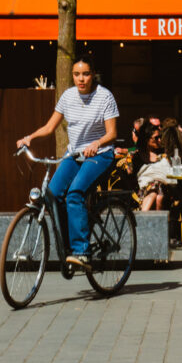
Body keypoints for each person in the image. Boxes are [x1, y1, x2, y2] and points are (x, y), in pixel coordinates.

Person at [16, 54, 118, 269]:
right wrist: (30, 137)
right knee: (52, 195)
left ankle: (82, 251)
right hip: (76, 155)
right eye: (77, 74)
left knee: (74, 194)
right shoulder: (68, 96)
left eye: (86, 74)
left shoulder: (104, 97)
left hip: (100, 154)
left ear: (93, 75)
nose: (81, 79)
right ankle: (68, 247)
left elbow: (112, 133)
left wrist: (96, 143)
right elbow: (49, 127)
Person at [132, 123, 170, 211]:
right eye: (156, 138)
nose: (159, 140)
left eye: (160, 137)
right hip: (143, 190)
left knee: (157, 193)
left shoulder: (163, 154)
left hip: (164, 188)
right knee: (155, 193)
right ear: (146, 139)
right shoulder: (137, 156)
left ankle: (142, 219)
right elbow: (132, 178)